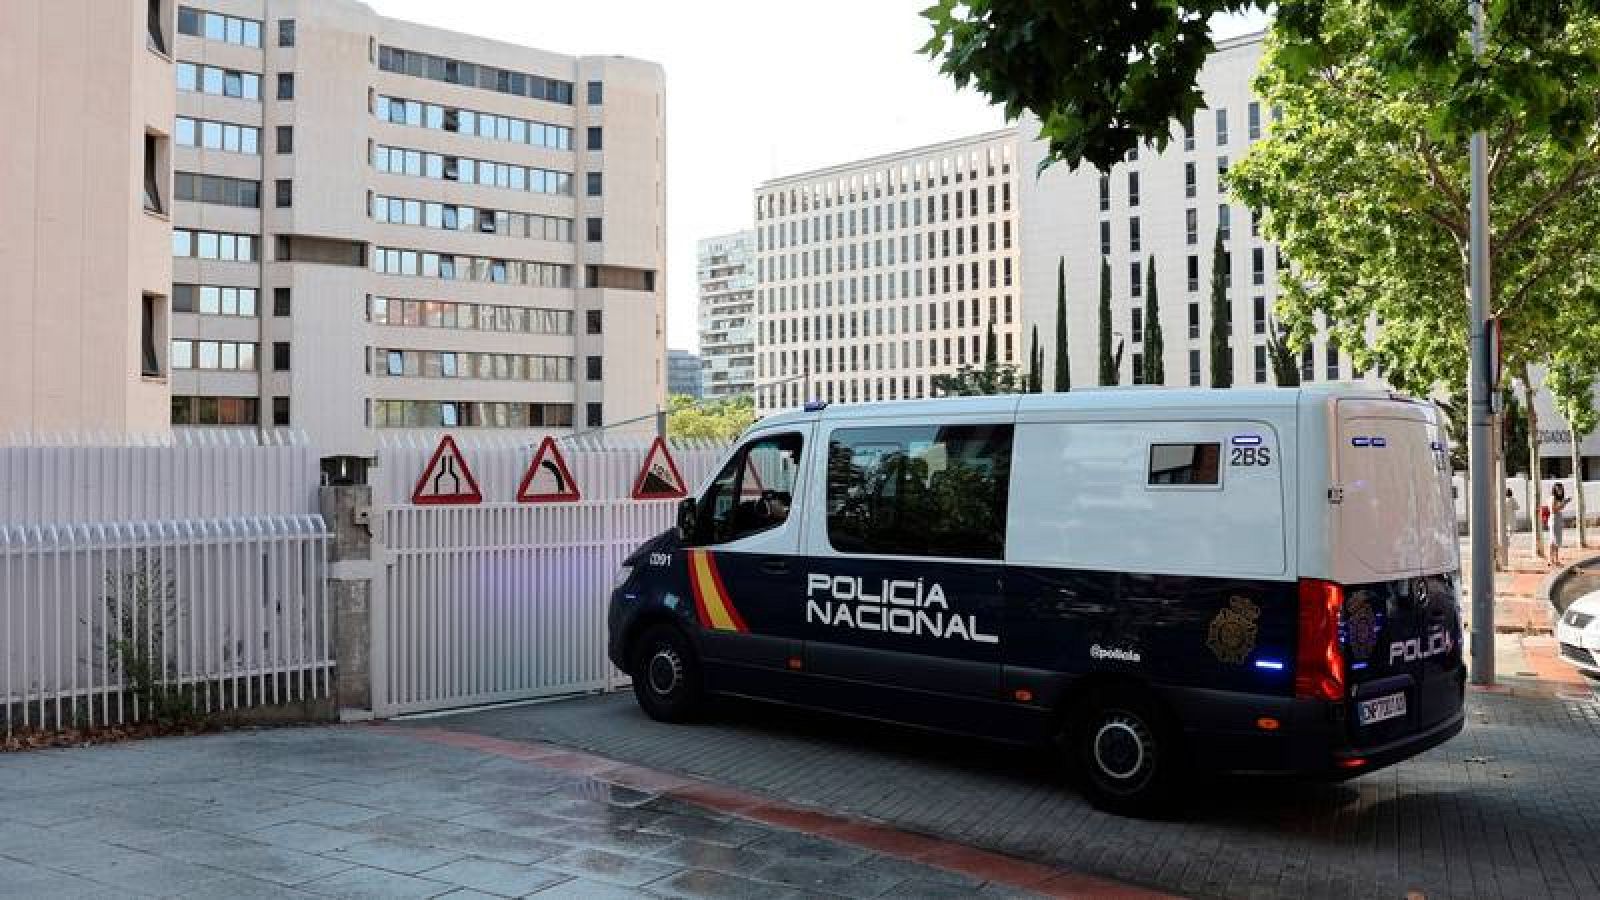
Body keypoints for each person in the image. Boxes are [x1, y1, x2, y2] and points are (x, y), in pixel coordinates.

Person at [1548, 482, 1570, 567]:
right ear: (1554, 489)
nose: (1559, 490)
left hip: (1558, 519)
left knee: (1555, 541)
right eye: (1558, 489)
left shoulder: (1558, 498)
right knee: (1554, 540)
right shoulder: (1553, 498)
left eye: (1561, 489)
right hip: (1554, 520)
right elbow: (1553, 510)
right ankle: (1553, 560)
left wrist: (1564, 502)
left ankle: (1553, 560)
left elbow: (1560, 508)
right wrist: (1564, 503)